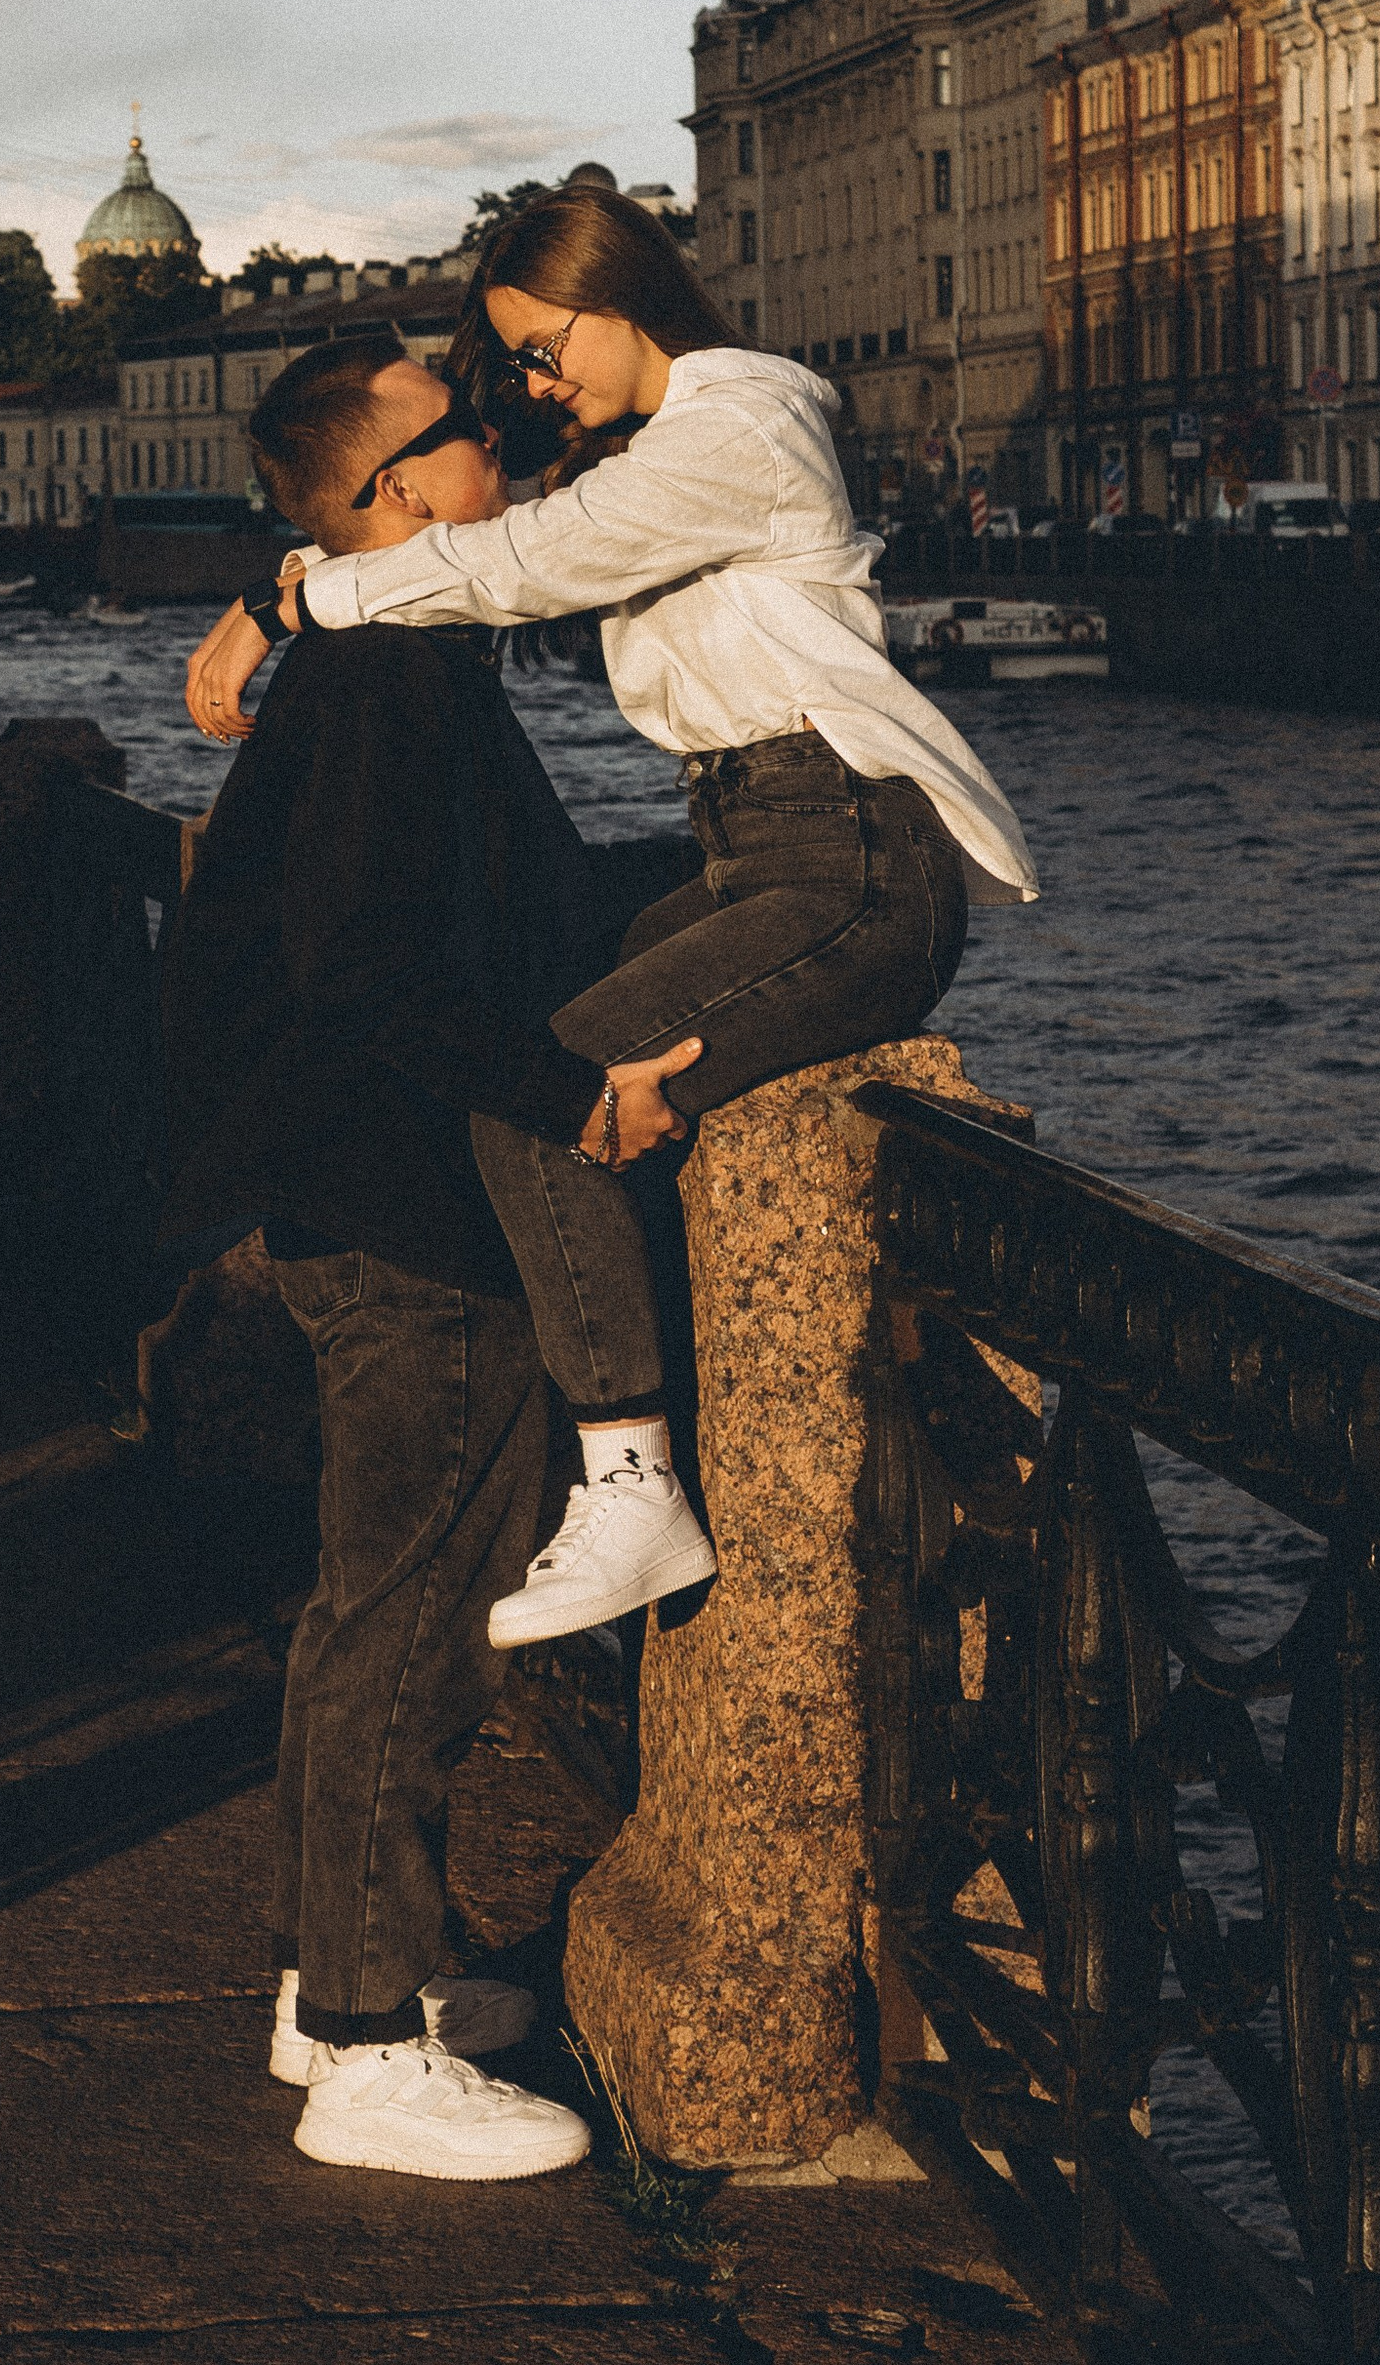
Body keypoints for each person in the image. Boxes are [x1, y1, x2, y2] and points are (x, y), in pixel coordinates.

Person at [186, 186, 1037, 1650]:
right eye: (508, 358)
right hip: (759, 846)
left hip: (850, 860)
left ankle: (631, 1480)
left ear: (619, 289)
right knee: (561, 1051)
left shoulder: (742, 426)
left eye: (538, 341)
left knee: (555, 1093)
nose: (529, 381)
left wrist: (292, 606)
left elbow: (519, 566)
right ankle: (694, 1419)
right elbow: (464, 505)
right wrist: (300, 580)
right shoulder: (648, 449)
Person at [157, 324, 708, 2180]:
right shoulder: (395, 680)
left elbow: (465, 915)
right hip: (414, 1207)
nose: (508, 442)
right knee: (409, 1628)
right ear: (406, 495)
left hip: (336, 1187)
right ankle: (379, 2052)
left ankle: (336, 1991)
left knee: (356, 1614)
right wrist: (570, 1107)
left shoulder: (370, 655)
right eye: (471, 428)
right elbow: (373, 966)